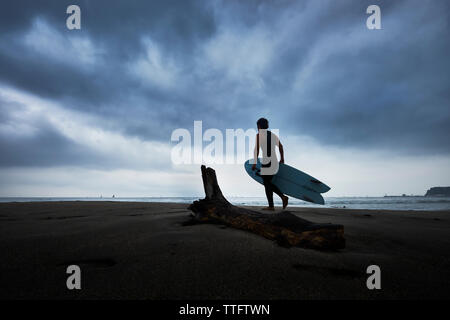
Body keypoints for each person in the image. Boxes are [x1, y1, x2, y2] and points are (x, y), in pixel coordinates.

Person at [252, 118, 288, 211]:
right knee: (267, 183)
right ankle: (276, 202)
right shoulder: (272, 135)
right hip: (274, 161)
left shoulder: (259, 135)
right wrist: (282, 158)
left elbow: (257, 150)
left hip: (267, 162)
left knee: (267, 183)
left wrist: (255, 163)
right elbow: (281, 146)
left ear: (259, 126)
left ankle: (278, 200)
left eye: (257, 126)